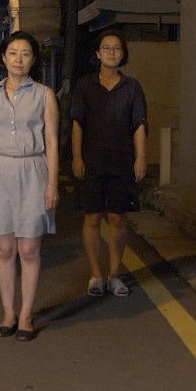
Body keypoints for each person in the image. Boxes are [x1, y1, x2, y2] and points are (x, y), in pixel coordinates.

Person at [0, 31, 59, 341]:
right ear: (3, 58)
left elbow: (51, 142)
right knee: (5, 249)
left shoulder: (45, 95)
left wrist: (52, 183)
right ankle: (8, 313)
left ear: (33, 60)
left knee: (29, 249)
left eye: (25, 53)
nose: (18, 59)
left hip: (33, 170)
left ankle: (26, 315)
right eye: (13, 53)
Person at [70, 28, 147, 297]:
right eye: (106, 48)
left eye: (117, 48)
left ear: (123, 54)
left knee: (117, 217)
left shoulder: (132, 87)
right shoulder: (85, 85)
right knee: (92, 217)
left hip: (122, 160)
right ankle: (96, 275)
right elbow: (77, 123)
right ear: (97, 53)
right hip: (91, 160)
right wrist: (77, 156)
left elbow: (139, 125)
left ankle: (115, 275)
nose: (112, 53)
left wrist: (141, 158)